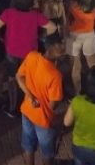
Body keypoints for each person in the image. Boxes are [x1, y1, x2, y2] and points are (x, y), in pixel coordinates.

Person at [0, 0, 57, 118]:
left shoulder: (8, 13)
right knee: (28, 79)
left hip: (12, 51)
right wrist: (41, 36)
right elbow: (53, 27)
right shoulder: (36, 15)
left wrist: (1, 38)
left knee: (12, 78)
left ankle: (12, 106)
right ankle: (30, 104)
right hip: (30, 53)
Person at [16, 33, 66, 165]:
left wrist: (30, 96)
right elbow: (53, 105)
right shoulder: (55, 76)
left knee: (28, 146)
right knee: (47, 154)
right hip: (43, 119)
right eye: (60, 45)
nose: (63, 48)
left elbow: (19, 77)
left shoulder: (32, 56)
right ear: (50, 48)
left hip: (27, 111)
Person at [68, 0, 95, 94]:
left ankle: (78, 93)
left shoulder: (72, 5)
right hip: (90, 36)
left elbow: (67, 21)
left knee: (75, 67)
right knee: (93, 67)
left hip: (74, 37)